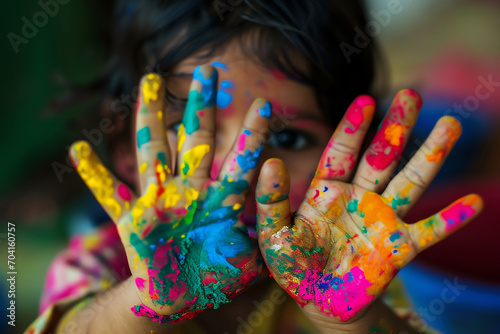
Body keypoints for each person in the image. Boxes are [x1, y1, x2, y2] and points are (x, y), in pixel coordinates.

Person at [26, 1, 482, 333]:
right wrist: (146, 300)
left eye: (287, 138)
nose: (235, 169)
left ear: (348, 157)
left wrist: (346, 321)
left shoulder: (352, 265)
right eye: (191, 129)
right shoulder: (98, 262)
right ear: (128, 148)